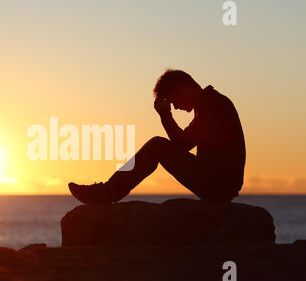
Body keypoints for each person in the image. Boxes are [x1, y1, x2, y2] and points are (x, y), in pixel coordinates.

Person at [68, 69, 246, 204]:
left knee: (157, 146)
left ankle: (107, 192)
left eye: (173, 100)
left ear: (183, 88)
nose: (175, 107)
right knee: (158, 145)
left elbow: (182, 145)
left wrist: (165, 115)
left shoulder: (213, 104)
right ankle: (107, 191)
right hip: (219, 182)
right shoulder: (210, 102)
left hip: (219, 185)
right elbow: (184, 143)